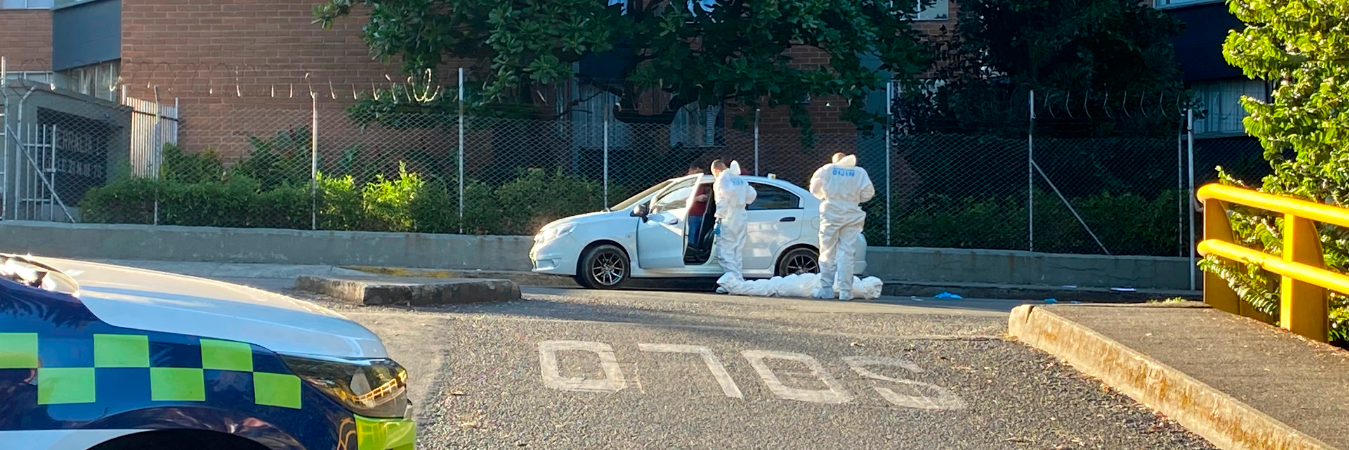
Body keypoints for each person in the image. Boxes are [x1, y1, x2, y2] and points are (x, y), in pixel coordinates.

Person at [809, 152, 875, 300]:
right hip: (852, 214)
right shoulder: (859, 172)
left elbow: (814, 189)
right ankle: (845, 291)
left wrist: (826, 196)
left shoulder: (827, 170)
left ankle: (826, 289)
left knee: (827, 252)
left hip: (831, 213)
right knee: (847, 253)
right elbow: (868, 193)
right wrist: (854, 199)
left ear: (835, 161)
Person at [712, 158, 756, 290]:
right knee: (737, 251)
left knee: (725, 251)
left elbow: (723, 199)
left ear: (715, 170)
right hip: (741, 216)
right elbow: (751, 196)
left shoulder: (722, 179)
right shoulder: (740, 179)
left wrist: (719, 217)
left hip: (729, 217)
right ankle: (737, 281)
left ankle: (734, 282)